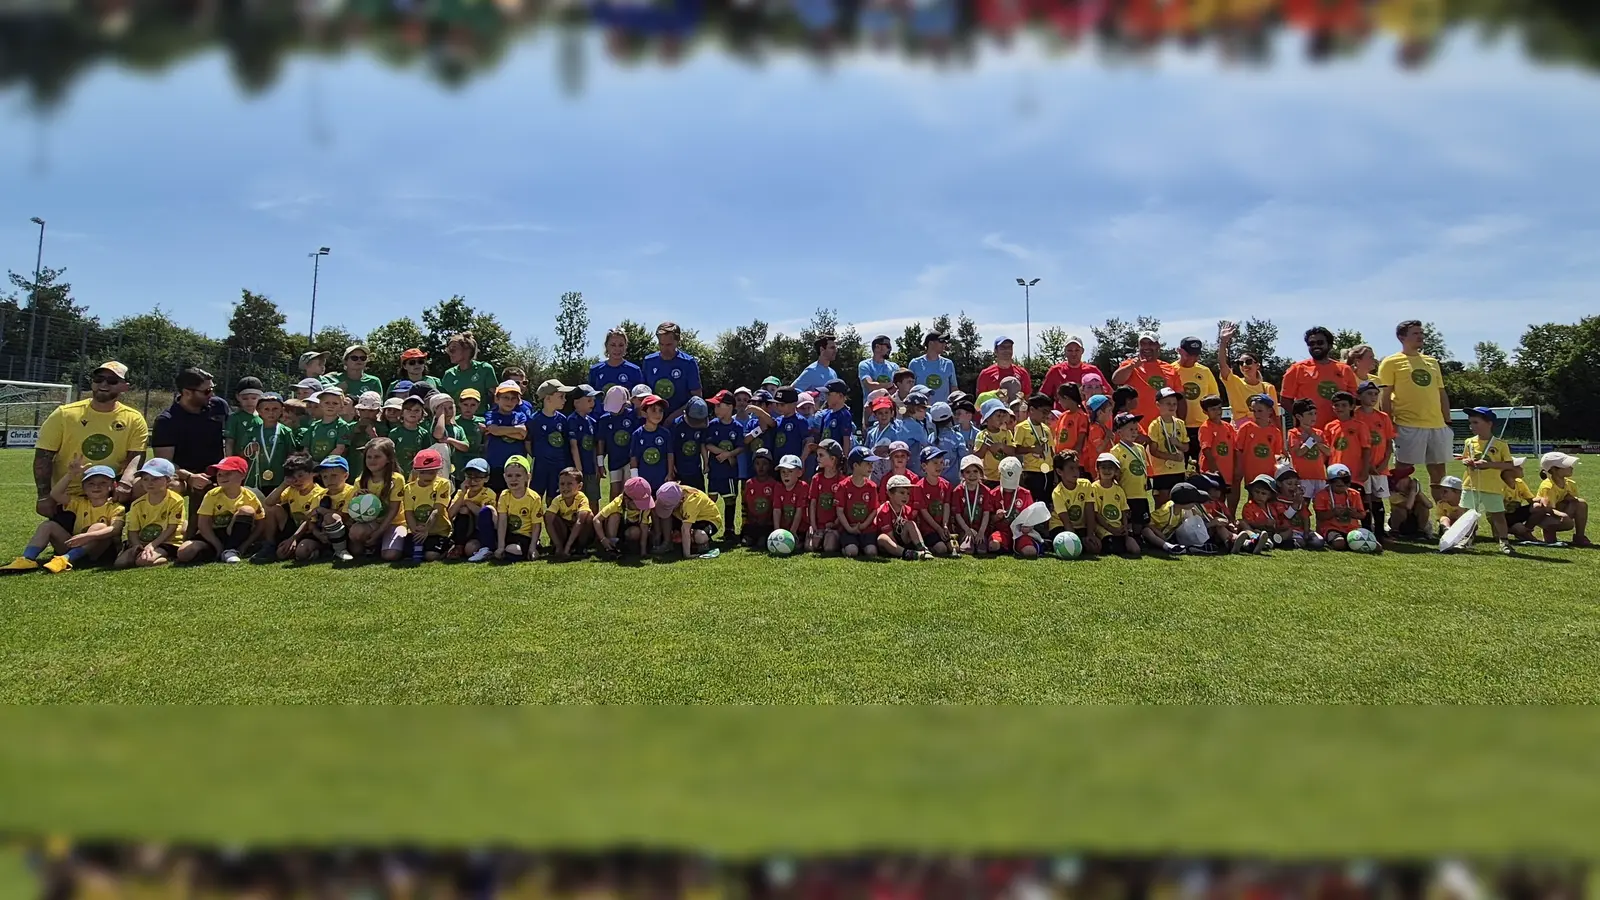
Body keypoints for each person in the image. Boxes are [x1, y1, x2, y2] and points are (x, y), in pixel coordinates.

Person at [34, 361, 146, 525]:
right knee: (65, 539)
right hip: (69, 494)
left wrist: (126, 483)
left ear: (124, 387)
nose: (104, 384)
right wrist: (44, 496)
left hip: (109, 492)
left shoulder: (134, 419)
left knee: (155, 483)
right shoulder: (64, 414)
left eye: (112, 381)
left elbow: (137, 456)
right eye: (99, 379)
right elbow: (43, 457)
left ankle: (148, 535)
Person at [4, 458, 126, 573]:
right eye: (91, 483)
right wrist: (70, 475)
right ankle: (27, 559)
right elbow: (55, 494)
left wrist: (87, 536)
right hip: (76, 544)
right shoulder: (80, 503)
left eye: (103, 483)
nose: (96, 487)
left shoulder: (116, 507)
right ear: (83, 487)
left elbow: (115, 529)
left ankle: (65, 559)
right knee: (48, 525)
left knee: (99, 526)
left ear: (113, 486)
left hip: (100, 552)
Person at [1376, 319, 1452, 498]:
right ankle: (1400, 516)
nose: (1420, 336)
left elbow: (1441, 393)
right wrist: (1389, 424)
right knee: (1403, 473)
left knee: (1440, 476)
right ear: (1401, 337)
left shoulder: (1432, 361)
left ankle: (1444, 514)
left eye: (1421, 333)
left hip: (1437, 425)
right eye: (1415, 333)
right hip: (1407, 425)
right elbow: (1384, 396)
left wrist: (1447, 421)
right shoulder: (1390, 362)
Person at [151, 367, 230, 532]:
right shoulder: (167, 421)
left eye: (212, 389)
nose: (211, 395)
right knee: (167, 486)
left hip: (216, 472)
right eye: (207, 391)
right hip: (183, 475)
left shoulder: (219, 406)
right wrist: (190, 476)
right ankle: (158, 530)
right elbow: (164, 463)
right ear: (187, 392)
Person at [174, 456, 264, 565]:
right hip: (213, 535)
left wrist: (244, 546)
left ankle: (232, 549)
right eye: (220, 474)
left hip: (236, 534)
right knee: (184, 553)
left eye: (228, 473)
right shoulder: (212, 495)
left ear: (242, 475)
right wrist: (217, 546)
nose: (222, 477)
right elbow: (203, 524)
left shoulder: (250, 497)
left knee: (247, 510)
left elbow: (260, 523)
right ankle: (219, 552)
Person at [1280, 326, 1358, 435]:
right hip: (1308, 433)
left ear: (1330, 345)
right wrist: (1302, 420)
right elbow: (1285, 400)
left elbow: (1353, 399)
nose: (1315, 346)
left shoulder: (1345, 370)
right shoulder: (1296, 369)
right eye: (1311, 344)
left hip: (1340, 431)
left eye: (1320, 342)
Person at [1459, 407, 1516, 554]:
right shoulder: (1469, 442)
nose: (1472, 426)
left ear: (1489, 423)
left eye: (1476, 422)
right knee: (1469, 514)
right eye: (1470, 423)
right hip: (1470, 485)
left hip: (1492, 486)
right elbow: (1464, 457)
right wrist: (1467, 461)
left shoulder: (1500, 444)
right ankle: (1467, 539)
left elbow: (1509, 465)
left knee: (1498, 515)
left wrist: (1489, 464)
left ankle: (1504, 542)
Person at [113, 458, 185, 569]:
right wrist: (138, 546)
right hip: (143, 541)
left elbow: (171, 528)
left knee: (144, 561)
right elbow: (132, 530)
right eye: (145, 479)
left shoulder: (176, 501)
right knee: (120, 563)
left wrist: (152, 545)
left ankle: (170, 557)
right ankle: (142, 555)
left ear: (168, 480)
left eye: (155, 479)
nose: (149, 483)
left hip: (167, 541)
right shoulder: (137, 504)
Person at [1111, 331, 1181, 422]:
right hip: (1135, 427)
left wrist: (1181, 423)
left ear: (1158, 346)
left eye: (1151, 343)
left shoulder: (1169, 368)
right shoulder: (1129, 364)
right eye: (1142, 344)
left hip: (1163, 427)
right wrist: (1131, 367)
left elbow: (1180, 398)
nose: (1146, 347)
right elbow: (1116, 380)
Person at [1216, 323, 1278, 421]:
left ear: (1257, 365)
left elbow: (1275, 415)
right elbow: (1222, 365)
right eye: (1240, 363)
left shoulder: (1267, 387)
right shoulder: (1234, 382)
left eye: (1248, 362)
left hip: (1261, 428)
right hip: (1240, 430)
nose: (1244, 365)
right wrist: (1223, 342)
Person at [641, 321, 703, 415]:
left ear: (677, 341)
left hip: (679, 420)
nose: (665, 349)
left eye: (669, 345)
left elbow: (697, 398)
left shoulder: (688, 363)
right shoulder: (649, 361)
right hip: (653, 418)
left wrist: (674, 417)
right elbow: (643, 393)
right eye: (661, 344)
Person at [1173, 336, 1218, 462]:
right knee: (1179, 467)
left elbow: (1214, 399)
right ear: (1180, 351)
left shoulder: (1205, 371)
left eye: (1196, 355)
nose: (1193, 358)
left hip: (1202, 427)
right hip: (1178, 427)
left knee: (1204, 466)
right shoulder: (1171, 370)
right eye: (1189, 354)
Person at [528, 380, 575, 501]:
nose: (564, 400)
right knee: (535, 496)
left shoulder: (563, 420)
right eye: (561, 396)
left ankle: (552, 520)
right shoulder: (534, 420)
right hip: (540, 467)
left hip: (559, 466)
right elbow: (528, 442)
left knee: (555, 499)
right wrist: (538, 456)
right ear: (548, 398)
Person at [1530, 451, 1589, 546]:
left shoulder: (1570, 484)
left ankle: (1580, 537)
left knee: (1581, 504)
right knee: (1567, 522)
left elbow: (1571, 502)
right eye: (1566, 465)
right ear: (1553, 469)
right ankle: (1549, 530)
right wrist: (1563, 515)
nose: (1571, 467)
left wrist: (1571, 499)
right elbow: (1548, 509)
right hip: (1545, 515)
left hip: (1557, 511)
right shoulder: (1548, 486)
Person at [482, 380, 531, 492]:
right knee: (496, 495)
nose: (509, 401)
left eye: (513, 398)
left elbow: (523, 434)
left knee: (517, 494)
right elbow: (493, 430)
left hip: (516, 464)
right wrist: (516, 429)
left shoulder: (520, 416)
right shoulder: (491, 414)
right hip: (496, 463)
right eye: (505, 397)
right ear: (497, 399)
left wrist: (500, 430)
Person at [653, 481, 724, 558]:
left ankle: (702, 542)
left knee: (700, 536)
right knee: (673, 527)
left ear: (679, 501)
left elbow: (685, 529)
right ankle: (667, 543)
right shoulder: (672, 491)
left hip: (708, 520)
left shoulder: (690, 502)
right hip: (685, 516)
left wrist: (687, 554)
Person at [493, 455, 545, 561]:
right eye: (510, 476)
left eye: (518, 475)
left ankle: (533, 548)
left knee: (515, 550)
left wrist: (532, 547)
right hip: (510, 533)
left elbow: (536, 525)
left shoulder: (534, 498)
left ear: (527, 476)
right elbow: (502, 521)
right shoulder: (504, 495)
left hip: (525, 536)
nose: (513, 479)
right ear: (504, 477)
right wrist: (501, 546)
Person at [1048, 450, 1098, 555]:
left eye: (1077, 467)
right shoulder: (1057, 493)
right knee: (1070, 545)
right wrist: (1077, 541)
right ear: (1059, 471)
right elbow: (1066, 522)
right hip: (1061, 526)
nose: (1076, 471)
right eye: (1071, 468)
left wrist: (1090, 535)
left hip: (1080, 526)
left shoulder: (1086, 484)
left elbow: (1090, 511)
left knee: (1095, 547)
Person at [1145, 388, 1189, 504]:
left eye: (1174, 403)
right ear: (1158, 405)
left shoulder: (1180, 423)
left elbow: (1186, 447)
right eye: (1168, 403)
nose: (1172, 406)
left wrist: (1178, 444)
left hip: (1179, 470)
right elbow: (1153, 451)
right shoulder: (1155, 425)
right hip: (1161, 471)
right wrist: (1171, 457)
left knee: (1179, 502)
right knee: (1162, 503)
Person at [835, 446, 881, 558]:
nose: (871, 467)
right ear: (855, 466)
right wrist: (849, 529)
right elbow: (840, 511)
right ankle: (845, 546)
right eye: (867, 464)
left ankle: (862, 545)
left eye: (872, 464)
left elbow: (874, 510)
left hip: (867, 529)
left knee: (871, 552)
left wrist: (863, 525)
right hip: (848, 527)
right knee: (852, 552)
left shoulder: (872, 487)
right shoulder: (843, 486)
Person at [452, 458, 499, 562]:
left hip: (480, 531)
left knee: (470, 549)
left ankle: (489, 547)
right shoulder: (461, 492)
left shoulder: (488, 493)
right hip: (465, 530)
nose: (472, 481)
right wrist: (463, 495)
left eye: (477, 478)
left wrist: (468, 503)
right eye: (469, 477)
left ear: (486, 479)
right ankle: (458, 545)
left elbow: (483, 514)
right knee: (463, 510)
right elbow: (449, 514)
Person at [874, 474, 932, 560]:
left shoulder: (907, 509)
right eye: (902, 493)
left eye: (908, 493)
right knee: (882, 538)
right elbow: (890, 536)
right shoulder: (884, 510)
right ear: (890, 494)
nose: (906, 496)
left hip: (902, 541)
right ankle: (908, 554)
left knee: (911, 524)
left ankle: (923, 549)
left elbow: (910, 530)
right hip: (889, 544)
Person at [594, 475, 653, 557]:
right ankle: (611, 547)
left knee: (635, 532)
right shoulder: (618, 502)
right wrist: (603, 539)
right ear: (627, 499)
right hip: (617, 529)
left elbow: (644, 526)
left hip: (630, 530)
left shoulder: (646, 506)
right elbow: (596, 519)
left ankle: (626, 547)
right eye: (639, 503)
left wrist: (643, 551)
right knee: (614, 516)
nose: (642, 506)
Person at [1314, 463, 1367, 551]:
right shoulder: (1322, 495)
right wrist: (1333, 512)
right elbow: (1319, 516)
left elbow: (1362, 515)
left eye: (1346, 486)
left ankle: (1350, 541)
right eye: (1338, 486)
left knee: (1375, 546)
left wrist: (1354, 514)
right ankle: (1330, 541)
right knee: (1339, 543)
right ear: (1330, 483)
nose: (1342, 488)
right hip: (1330, 528)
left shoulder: (1354, 494)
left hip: (1351, 529)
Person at [564, 385, 601, 508]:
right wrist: (579, 469)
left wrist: (596, 465)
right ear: (577, 402)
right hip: (578, 470)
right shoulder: (572, 420)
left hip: (591, 468)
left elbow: (594, 446)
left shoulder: (592, 421)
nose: (593, 403)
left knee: (593, 500)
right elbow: (573, 446)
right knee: (577, 500)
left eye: (594, 400)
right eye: (589, 400)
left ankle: (593, 526)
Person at [1013, 394, 1054, 501]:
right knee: (1033, 502)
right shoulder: (1021, 427)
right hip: (1032, 472)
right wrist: (1031, 449)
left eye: (1048, 413)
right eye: (1044, 412)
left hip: (1048, 471)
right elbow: (1015, 450)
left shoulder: (1046, 429)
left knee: (1046, 501)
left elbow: (1051, 451)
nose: (1046, 416)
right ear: (1031, 409)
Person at [440, 332, 501, 401]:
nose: (449, 353)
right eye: (448, 350)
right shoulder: (449, 374)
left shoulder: (484, 369)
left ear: (467, 350)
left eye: (453, 350)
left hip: (481, 412)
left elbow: (497, 397)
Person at [1039, 335, 1105, 399]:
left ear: (1082, 351)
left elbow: (1108, 393)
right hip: (1061, 410)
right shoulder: (1055, 370)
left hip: (1088, 409)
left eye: (1077, 350)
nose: (1073, 354)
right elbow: (1042, 397)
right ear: (1065, 352)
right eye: (1070, 350)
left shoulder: (1093, 370)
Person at [630, 395, 673, 490]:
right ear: (644, 413)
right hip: (644, 480)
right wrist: (635, 479)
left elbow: (669, 454)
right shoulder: (637, 434)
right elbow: (634, 458)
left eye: (660, 410)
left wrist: (670, 474)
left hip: (662, 479)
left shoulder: (665, 433)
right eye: (653, 410)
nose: (658, 414)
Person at [670, 396, 711, 493]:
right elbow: (670, 448)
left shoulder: (703, 426)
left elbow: (702, 444)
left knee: (698, 496)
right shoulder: (676, 425)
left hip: (695, 469)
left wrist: (706, 463)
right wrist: (671, 467)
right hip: (679, 469)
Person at [588, 327, 645, 396]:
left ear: (626, 346)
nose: (617, 349)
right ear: (606, 346)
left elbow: (640, 399)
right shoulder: (595, 370)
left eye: (621, 345)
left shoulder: (635, 370)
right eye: (613, 345)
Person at [741, 449, 780, 548]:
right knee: (746, 542)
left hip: (767, 524)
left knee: (761, 543)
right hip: (752, 523)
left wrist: (767, 520)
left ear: (770, 466)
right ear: (753, 465)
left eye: (764, 464)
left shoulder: (774, 484)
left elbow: (775, 506)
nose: (761, 467)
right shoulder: (749, 483)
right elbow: (745, 504)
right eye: (757, 464)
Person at [908, 331, 958, 404]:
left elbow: (954, 388)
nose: (944, 344)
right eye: (941, 341)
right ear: (931, 343)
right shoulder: (915, 363)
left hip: (943, 411)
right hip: (921, 411)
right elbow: (909, 389)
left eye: (945, 342)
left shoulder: (948, 364)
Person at [223, 377, 265, 458]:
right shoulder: (234, 418)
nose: (249, 401)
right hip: (239, 462)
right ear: (238, 397)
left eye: (253, 398)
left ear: (260, 397)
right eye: (245, 398)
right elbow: (229, 442)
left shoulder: (264, 417)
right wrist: (229, 461)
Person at [772, 454, 809, 538]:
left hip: (800, 529)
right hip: (784, 529)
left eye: (790, 471)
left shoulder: (803, 487)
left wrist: (792, 532)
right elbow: (777, 510)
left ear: (799, 473)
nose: (786, 475)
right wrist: (776, 531)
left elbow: (799, 510)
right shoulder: (778, 487)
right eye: (783, 472)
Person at [858, 335, 896, 405]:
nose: (890, 349)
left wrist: (879, 386)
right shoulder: (865, 365)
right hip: (871, 410)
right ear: (877, 347)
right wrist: (891, 385)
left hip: (890, 410)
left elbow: (898, 387)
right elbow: (869, 385)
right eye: (887, 346)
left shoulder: (894, 366)